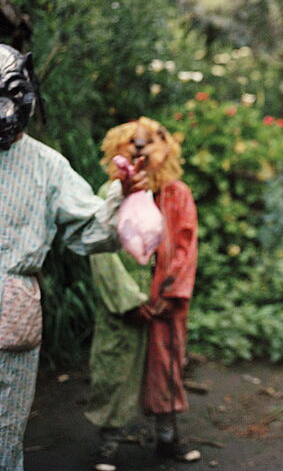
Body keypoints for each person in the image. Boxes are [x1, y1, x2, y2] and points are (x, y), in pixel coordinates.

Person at [0, 44, 144, 471]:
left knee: (5, 431)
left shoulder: (47, 166)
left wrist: (124, 196)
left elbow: (92, 229)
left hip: (12, 314)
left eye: (13, 95)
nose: (6, 113)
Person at [84, 117, 200, 466]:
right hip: (123, 304)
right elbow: (101, 253)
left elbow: (185, 245)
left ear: (165, 149)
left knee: (166, 367)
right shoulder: (111, 195)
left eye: (147, 142)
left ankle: (167, 436)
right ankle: (109, 442)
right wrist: (128, 300)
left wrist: (169, 293)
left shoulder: (176, 194)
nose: (139, 149)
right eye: (131, 143)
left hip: (164, 302)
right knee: (115, 369)